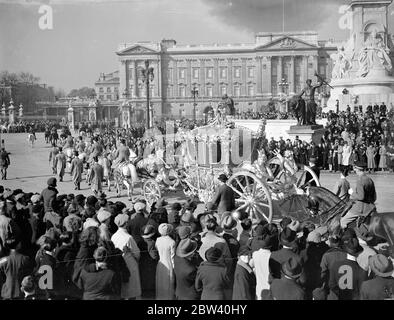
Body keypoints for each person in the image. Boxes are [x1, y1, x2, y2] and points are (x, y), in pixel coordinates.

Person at [111, 213, 141, 300]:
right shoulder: (128, 237)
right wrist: (137, 260)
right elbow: (137, 253)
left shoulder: (114, 236)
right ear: (126, 223)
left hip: (120, 262)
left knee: (123, 288)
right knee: (132, 288)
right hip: (129, 263)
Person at [340, 161, 376, 229]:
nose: (354, 170)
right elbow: (374, 197)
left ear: (356, 168)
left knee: (343, 221)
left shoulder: (360, 180)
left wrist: (352, 193)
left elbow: (361, 197)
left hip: (360, 209)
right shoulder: (369, 179)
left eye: (354, 168)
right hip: (371, 207)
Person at [155, 223, 176, 300]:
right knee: (169, 283)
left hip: (160, 263)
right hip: (169, 263)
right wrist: (174, 268)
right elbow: (172, 256)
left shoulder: (157, 240)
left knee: (160, 283)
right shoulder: (172, 242)